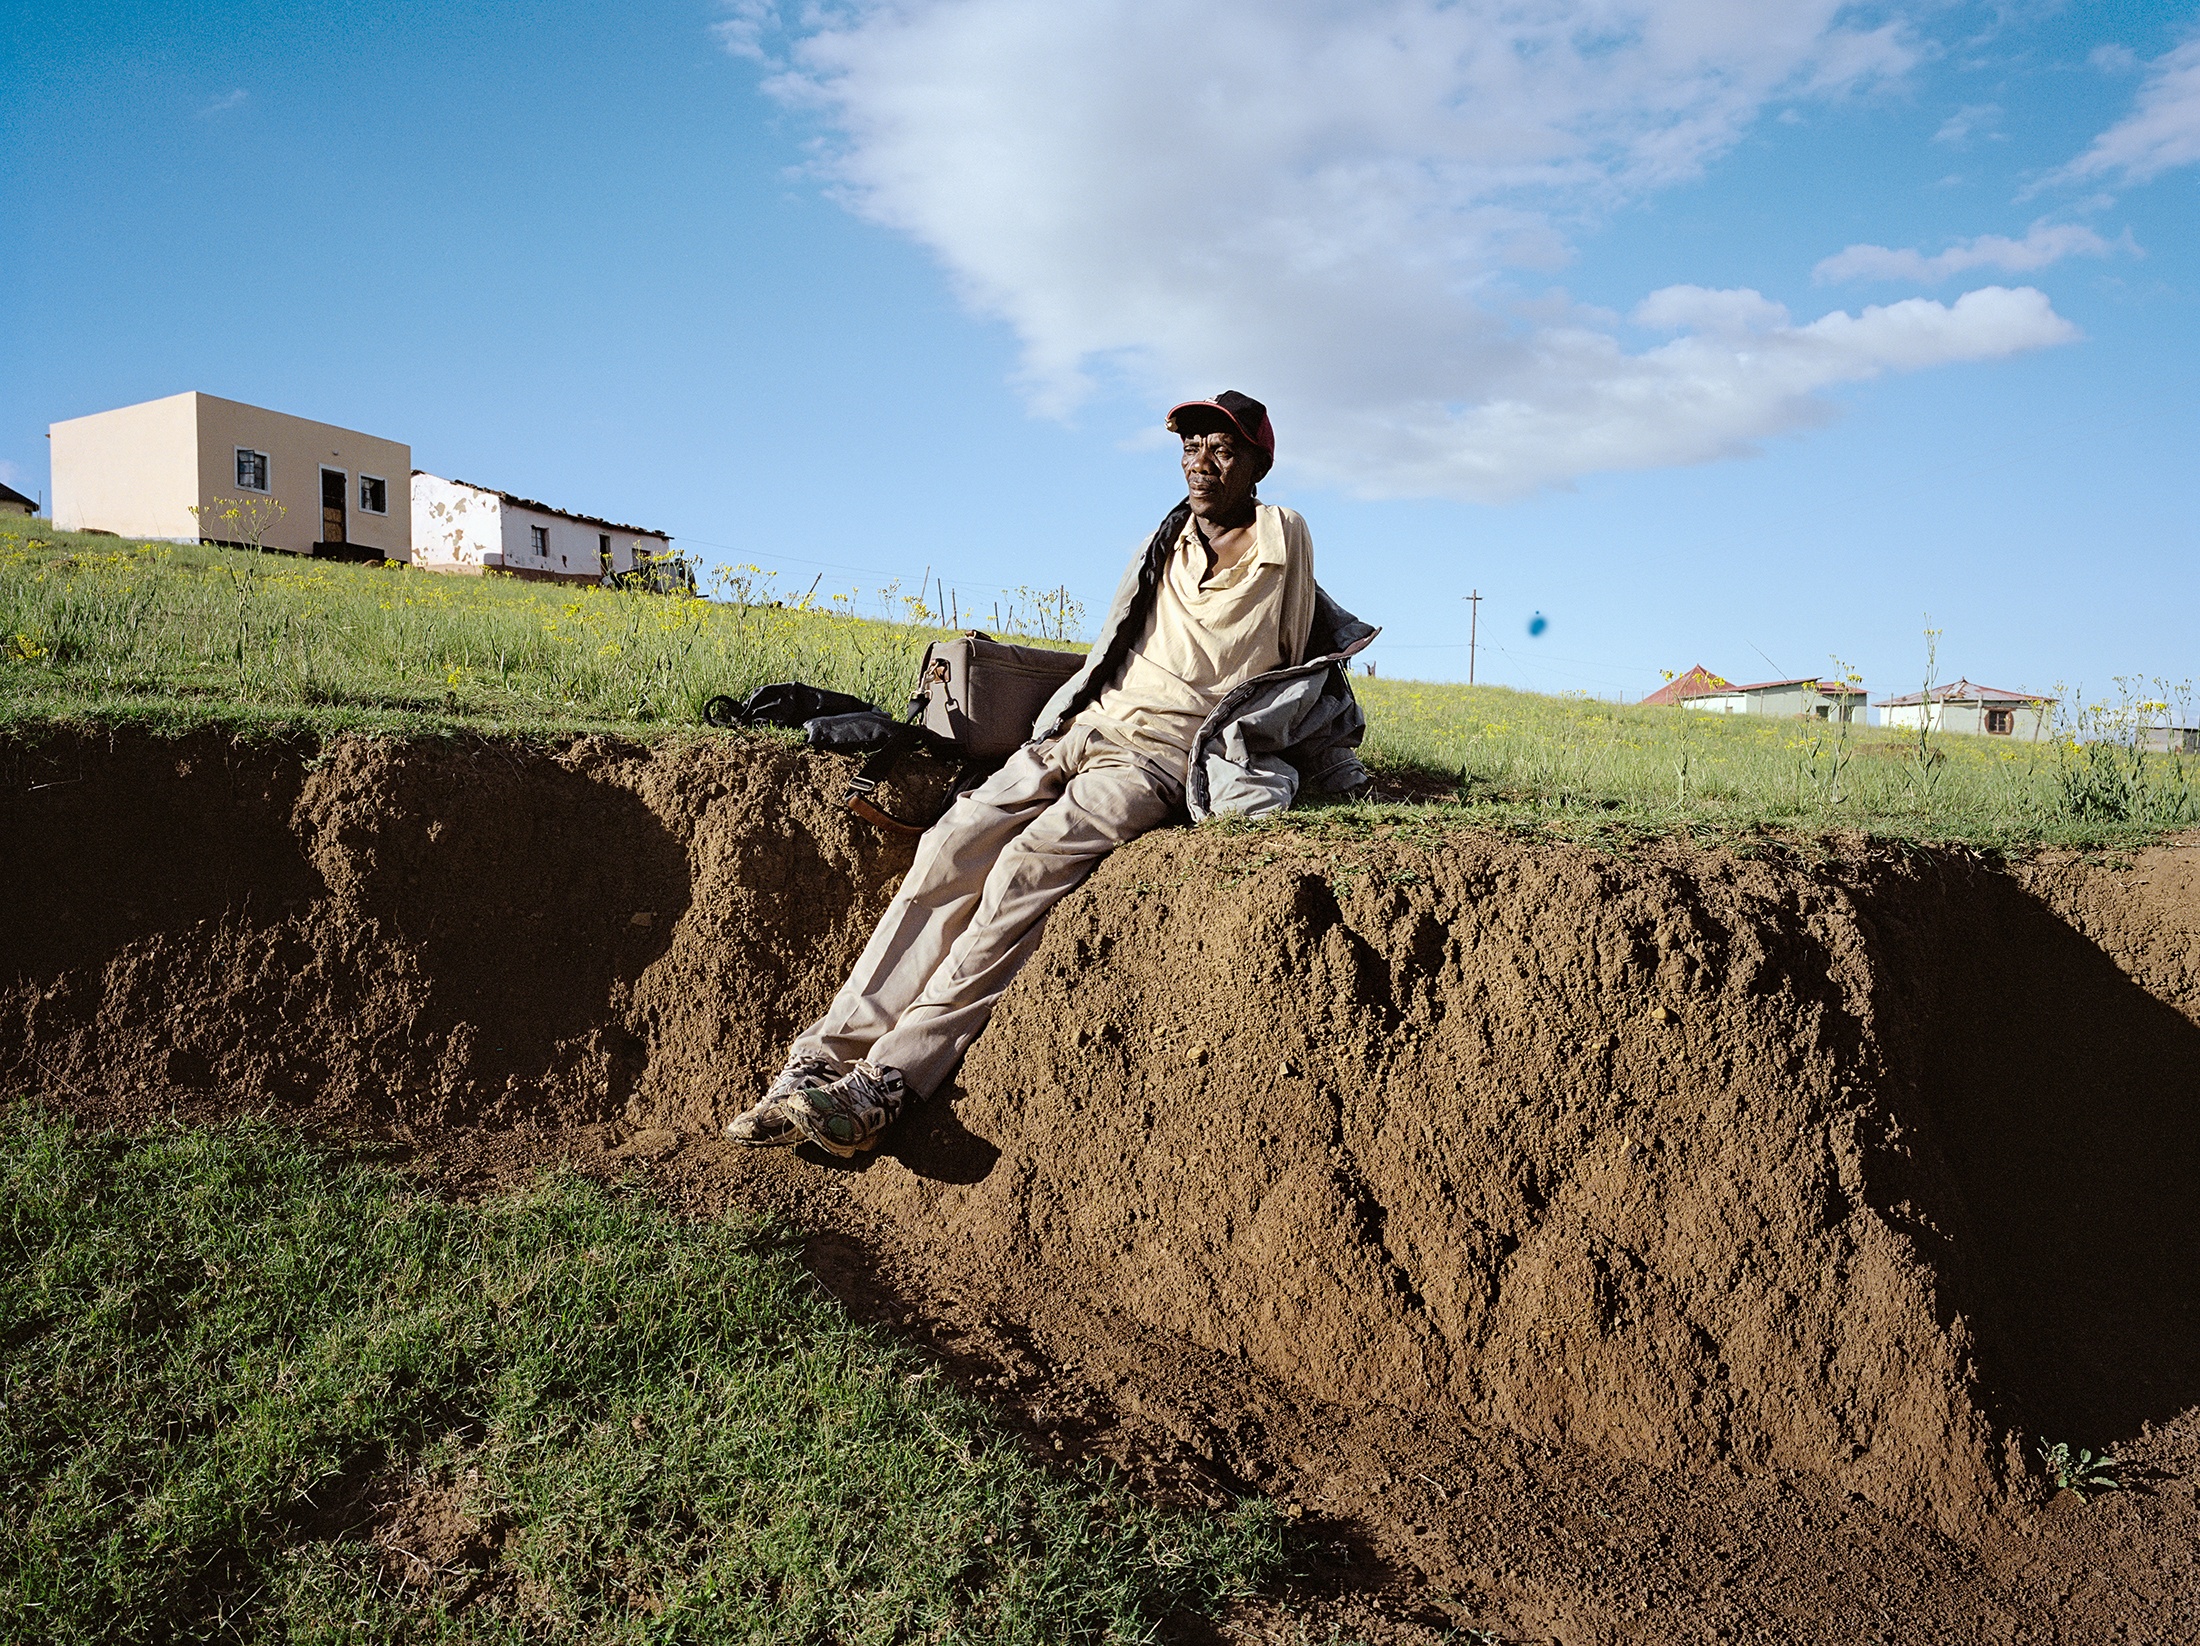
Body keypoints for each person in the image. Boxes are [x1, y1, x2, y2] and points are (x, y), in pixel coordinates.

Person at [726, 390, 1376, 1158]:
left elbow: (1295, 653)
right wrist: (1062, 721)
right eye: (1191, 446)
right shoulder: (1160, 543)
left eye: (1224, 449)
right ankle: (823, 1058)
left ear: (1258, 464)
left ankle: (886, 1083)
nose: (1201, 462)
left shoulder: (1282, 534)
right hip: (1089, 726)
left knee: (1025, 867)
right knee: (952, 841)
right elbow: (1114, 643)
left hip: (1166, 752)